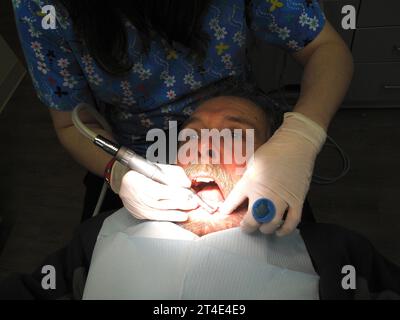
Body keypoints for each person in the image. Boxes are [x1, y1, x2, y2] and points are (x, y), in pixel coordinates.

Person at [1, 87, 399, 300]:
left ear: (273, 158)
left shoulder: (338, 254)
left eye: (234, 131)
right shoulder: (96, 237)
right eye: (191, 132)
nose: (204, 143)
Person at [13, 0, 353, 235]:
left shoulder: (326, 254)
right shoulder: (41, 8)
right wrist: (118, 172)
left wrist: (300, 137)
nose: (202, 147)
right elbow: (70, 122)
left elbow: (328, 50)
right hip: (134, 156)